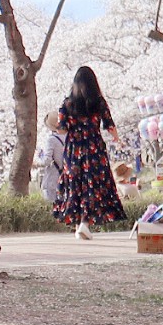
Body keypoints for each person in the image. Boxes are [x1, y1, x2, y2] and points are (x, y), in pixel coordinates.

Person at [51, 66, 125, 239]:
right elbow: (109, 125)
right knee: (92, 185)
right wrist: (117, 140)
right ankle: (83, 224)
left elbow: (61, 129)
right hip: (94, 149)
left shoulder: (68, 103)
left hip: (74, 150)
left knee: (76, 185)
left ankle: (80, 225)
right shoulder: (98, 102)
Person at [38, 112, 67, 207]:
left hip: (53, 178)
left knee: (52, 207)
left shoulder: (52, 140)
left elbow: (46, 160)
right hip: (67, 178)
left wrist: (35, 163)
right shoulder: (70, 137)